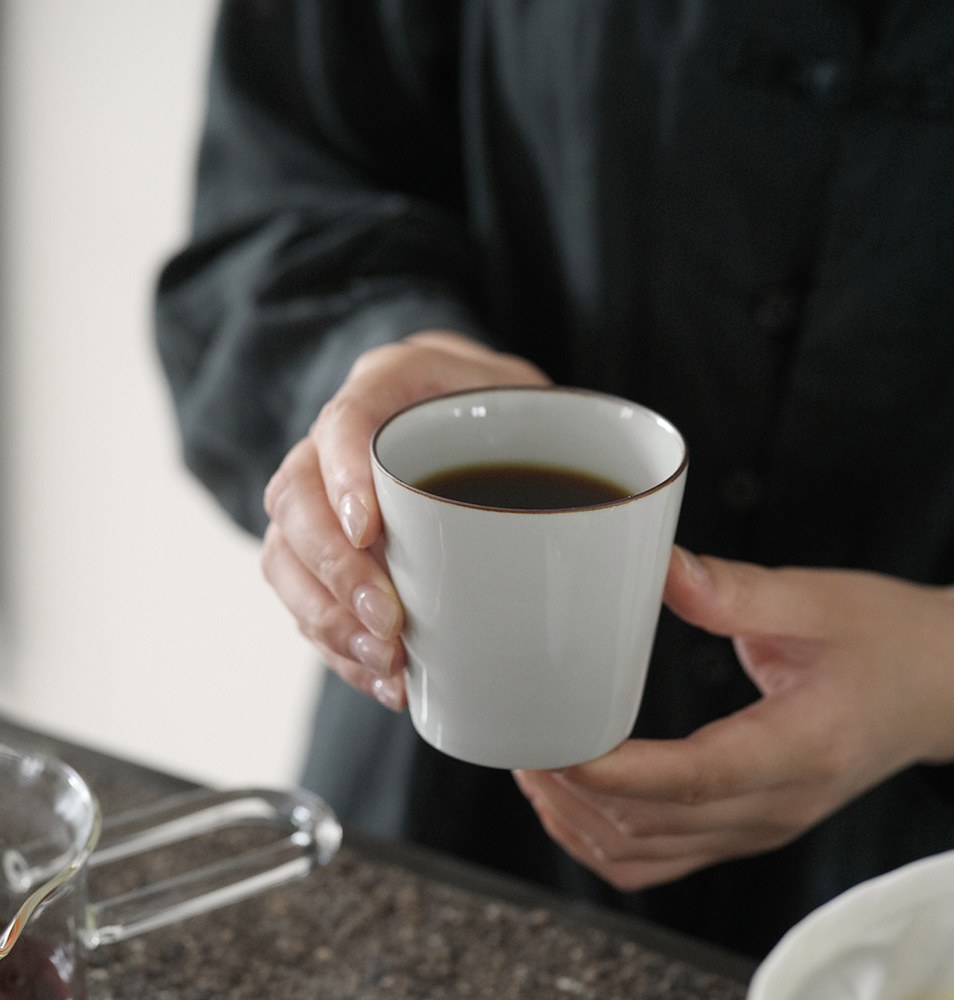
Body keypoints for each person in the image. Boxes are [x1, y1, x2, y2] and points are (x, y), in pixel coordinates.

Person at [155, 1, 954, 959]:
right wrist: (385, 370)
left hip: (908, 896)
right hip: (438, 821)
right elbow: (281, 188)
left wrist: (934, 675)